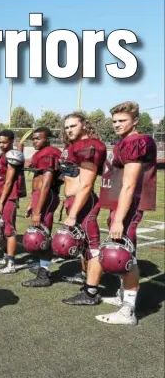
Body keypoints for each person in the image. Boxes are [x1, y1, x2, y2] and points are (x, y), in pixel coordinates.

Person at [95, 101, 157, 324]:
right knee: (123, 251)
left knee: (124, 254)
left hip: (129, 207)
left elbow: (129, 185)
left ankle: (128, 310)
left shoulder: (136, 142)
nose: (117, 125)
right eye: (114, 121)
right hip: (121, 204)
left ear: (135, 121)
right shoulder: (126, 141)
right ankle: (124, 296)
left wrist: (119, 219)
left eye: (122, 121)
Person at [58, 113, 107, 306]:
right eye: (67, 126)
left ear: (85, 126)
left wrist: (72, 214)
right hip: (75, 201)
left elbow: (86, 184)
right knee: (83, 246)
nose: (69, 129)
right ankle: (87, 280)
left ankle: (91, 293)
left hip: (84, 204)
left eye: (73, 126)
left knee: (93, 247)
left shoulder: (89, 146)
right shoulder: (73, 146)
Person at [20, 127, 62, 287]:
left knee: (43, 235)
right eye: (34, 138)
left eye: (39, 138)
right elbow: (37, 180)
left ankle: (44, 273)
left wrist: (38, 211)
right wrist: (33, 202)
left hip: (47, 196)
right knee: (39, 235)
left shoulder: (49, 152)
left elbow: (45, 184)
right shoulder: (41, 153)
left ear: (48, 139)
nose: (35, 141)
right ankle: (43, 267)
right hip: (40, 196)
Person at [0, 130, 26, 274]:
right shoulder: (1, 156)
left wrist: (1, 201)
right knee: (3, 229)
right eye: (0, 142)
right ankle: (6, 256)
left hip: (9, 197)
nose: (2, 145)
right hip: (3, 196)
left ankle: (10, 264)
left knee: (9, 230)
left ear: (11, 141)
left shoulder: (11, 155)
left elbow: (9, 181)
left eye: (5, 142)